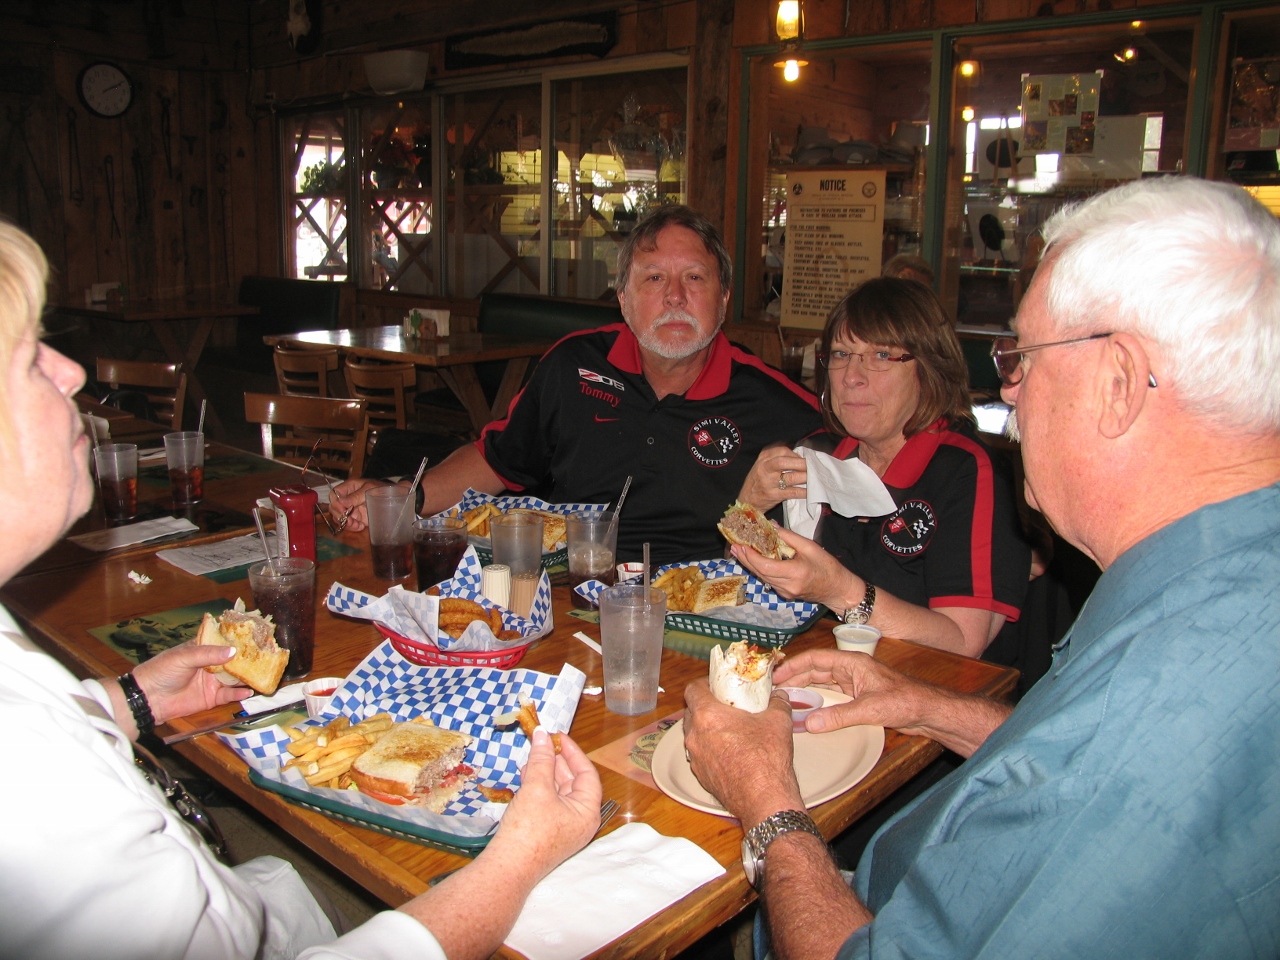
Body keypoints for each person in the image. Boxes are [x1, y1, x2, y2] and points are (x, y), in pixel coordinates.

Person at [683, 176, 1280, 958]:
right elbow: (1058, 760)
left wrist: (768, 806)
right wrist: (927, 706)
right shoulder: (1206, 578)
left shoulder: (1163, 695)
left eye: (1022, 357)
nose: (1009, 393)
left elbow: (1097, 768)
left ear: (1121, 382)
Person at [0, 221, 602, 959]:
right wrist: (519, 858)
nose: (70, 372)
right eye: (28, 358)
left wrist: (128, 700)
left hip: (237, 888)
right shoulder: (38, 795)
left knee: (284, 878)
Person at [331, 205, 822, 564]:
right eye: (653, 279)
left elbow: (865, 467)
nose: (675, 296)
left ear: (724, 298)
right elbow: (495, 459)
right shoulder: (574, 365)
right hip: (573, 598)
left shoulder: (772, 401)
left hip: (713, 614)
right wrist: (402, 498)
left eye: (695, 278)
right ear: (624, 298)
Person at [732, 278, 1030, 657]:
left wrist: (839, 591)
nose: (852, 376)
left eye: (882, 356)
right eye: (841, 354)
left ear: (929, 369)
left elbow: (964, 643)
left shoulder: (965, 471)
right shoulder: (815, 453)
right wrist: (748, 507)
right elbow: (736, 589)